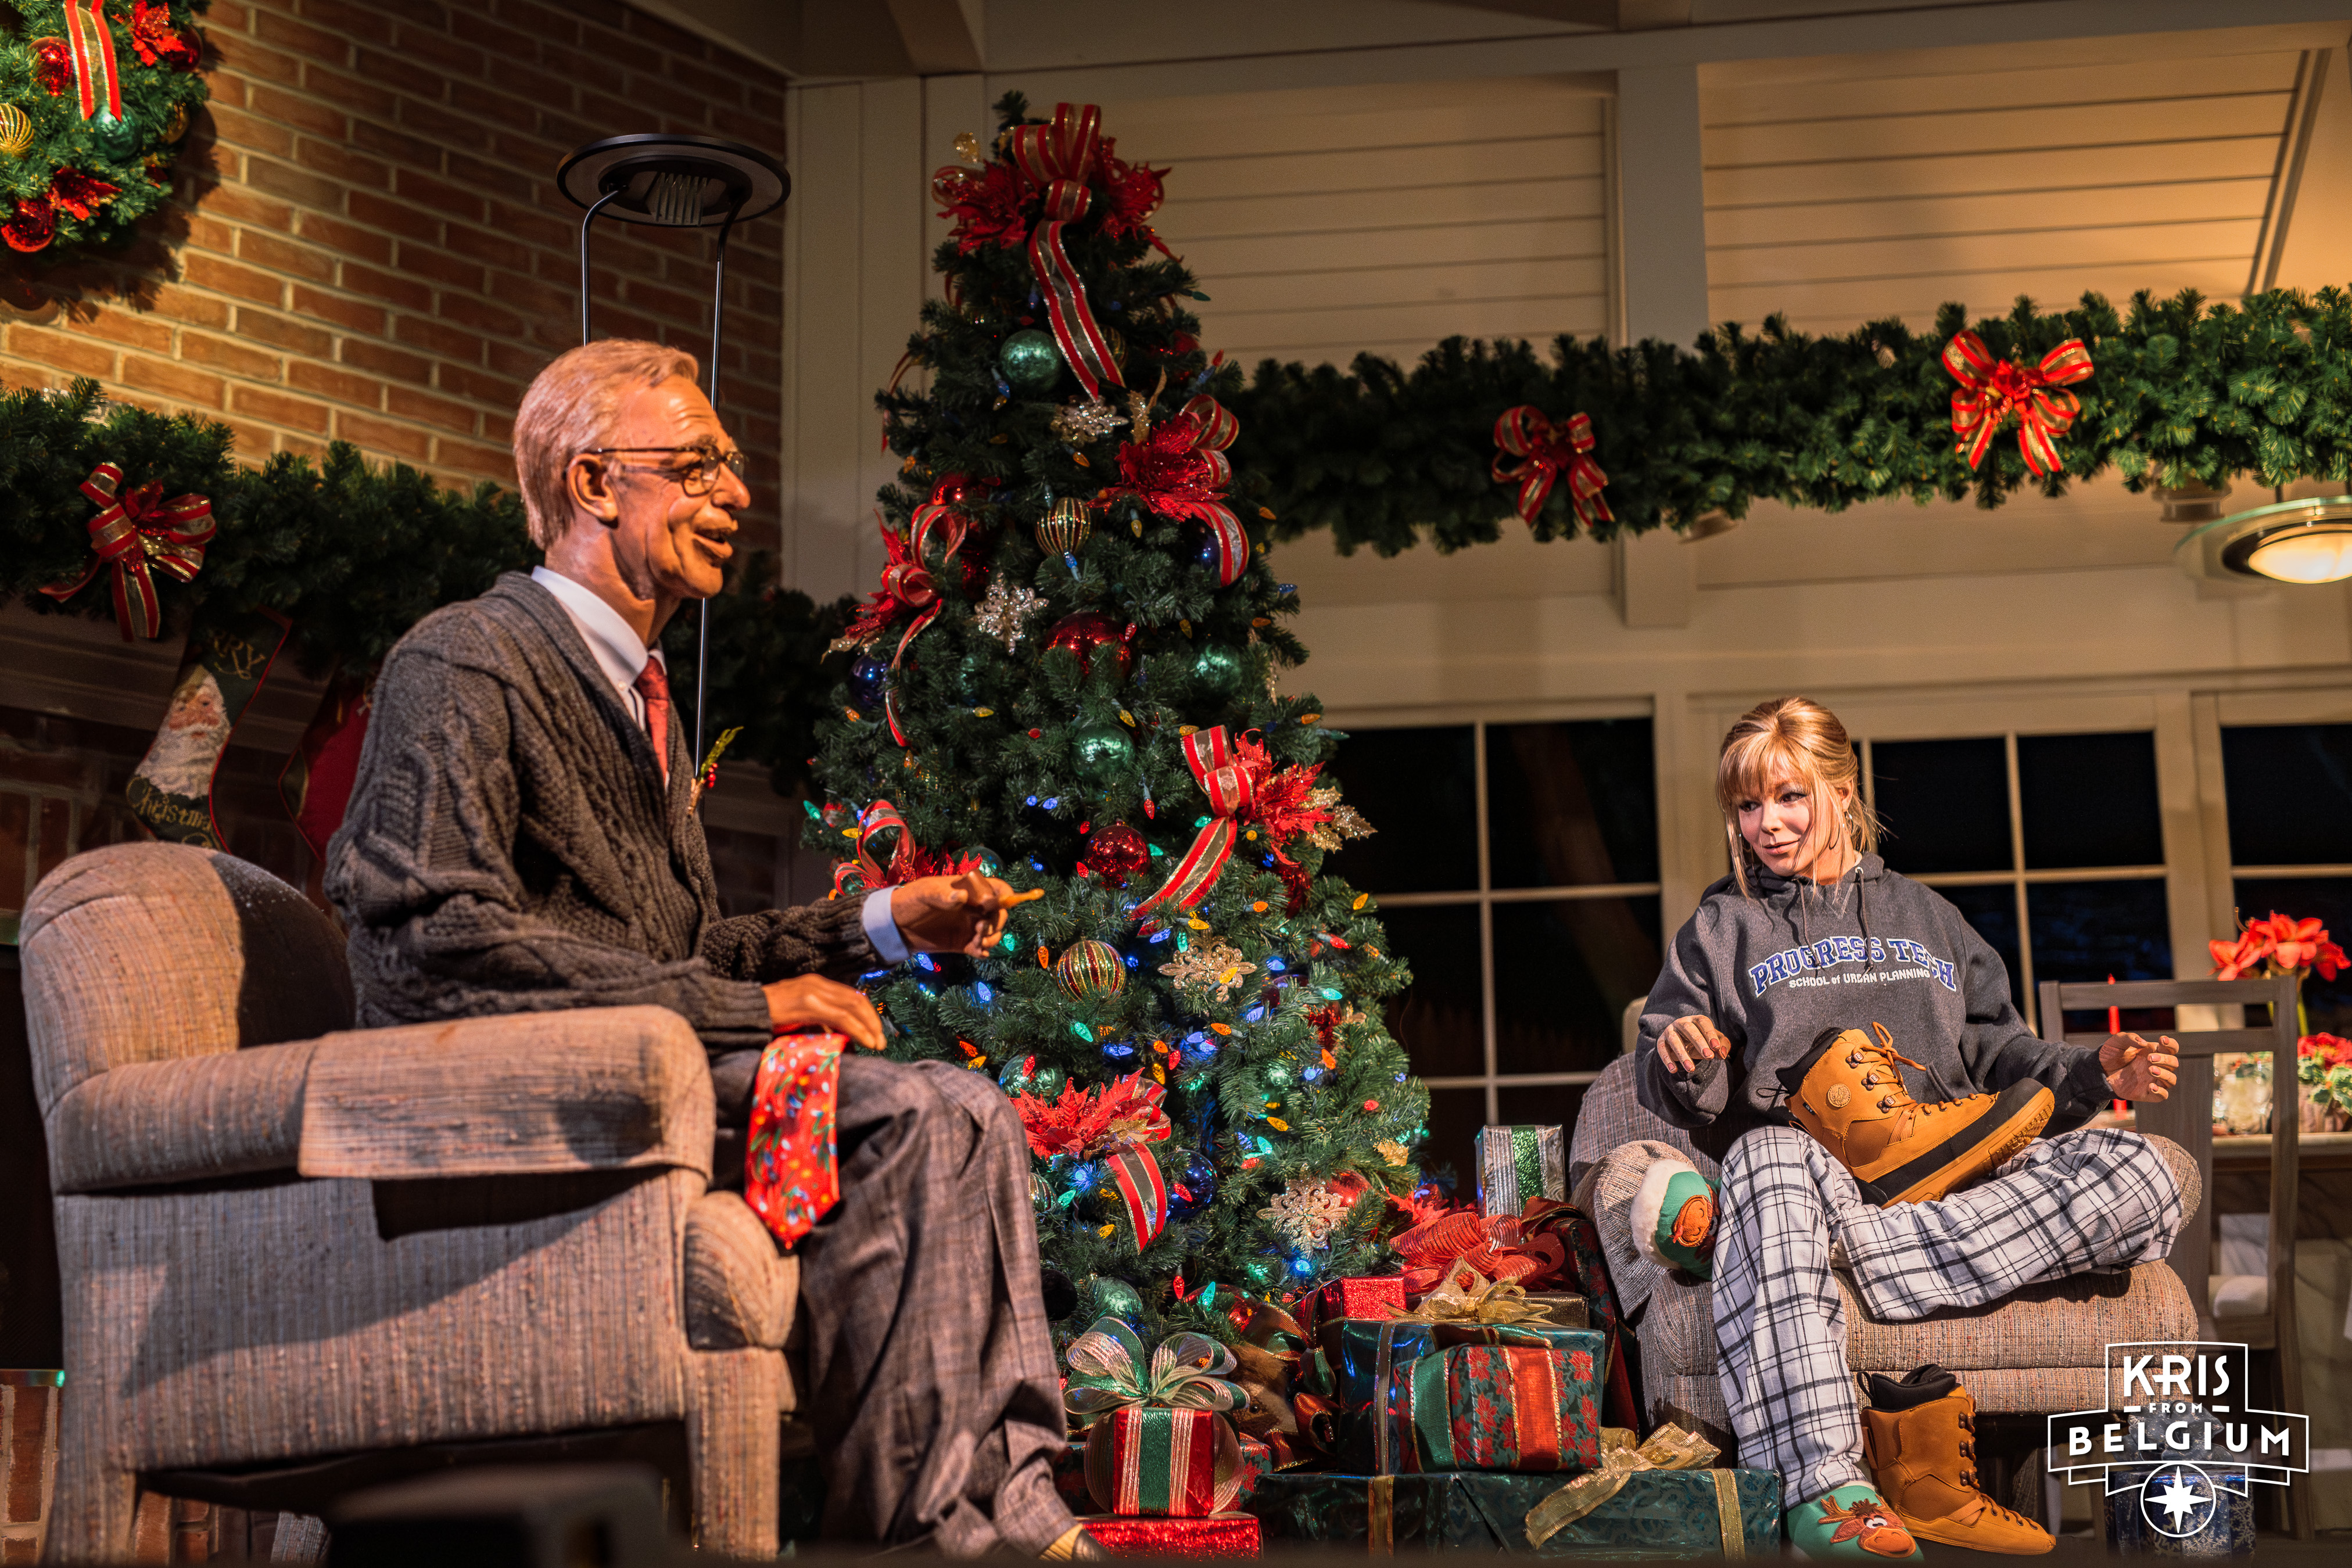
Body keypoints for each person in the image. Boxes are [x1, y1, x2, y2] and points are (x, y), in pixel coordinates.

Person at [326, 339, 1095, 1560]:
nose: (735, 494)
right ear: (592, 483)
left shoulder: (637, 698)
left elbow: (681, 951)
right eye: (696, 467)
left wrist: (883, 923)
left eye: (729, 466)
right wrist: (752, 1014)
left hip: (650, 1078)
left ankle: (1010, 1510)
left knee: (966, 1106)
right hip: (532, 1110)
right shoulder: (466, 659)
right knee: (906, 1120)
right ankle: (928, 1535)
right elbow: (432, 941)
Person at [1634, 697, 2184, 1561]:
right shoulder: (1719, 928)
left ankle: (1809, 1250)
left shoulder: (1929, 917)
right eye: (1748, 805)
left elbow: (1999, 1052)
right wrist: (1683, 1054)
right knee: (1766, 1155)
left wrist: (2091, 1074)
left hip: (1952, 1181)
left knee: (2153, 1172)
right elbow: (1674, 1073)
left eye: (1790, 796)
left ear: (1844, 792)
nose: (1767, 824)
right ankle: (1827, 1490)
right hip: (1813, 1183)